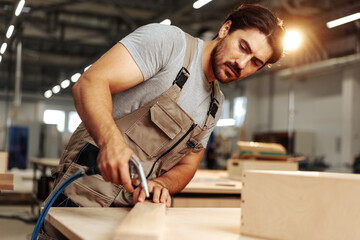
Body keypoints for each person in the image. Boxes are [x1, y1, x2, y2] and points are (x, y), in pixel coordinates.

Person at [40, 3, 285, 239]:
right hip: (85, 189)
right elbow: (91, 83)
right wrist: (110, 142)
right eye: (243, 47)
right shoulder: (170, 44)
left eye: (255, 62)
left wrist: (162, 184)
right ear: (225, 29)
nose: (241, 64)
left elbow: (187, 166)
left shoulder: (215, 106)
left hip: (132, 212)